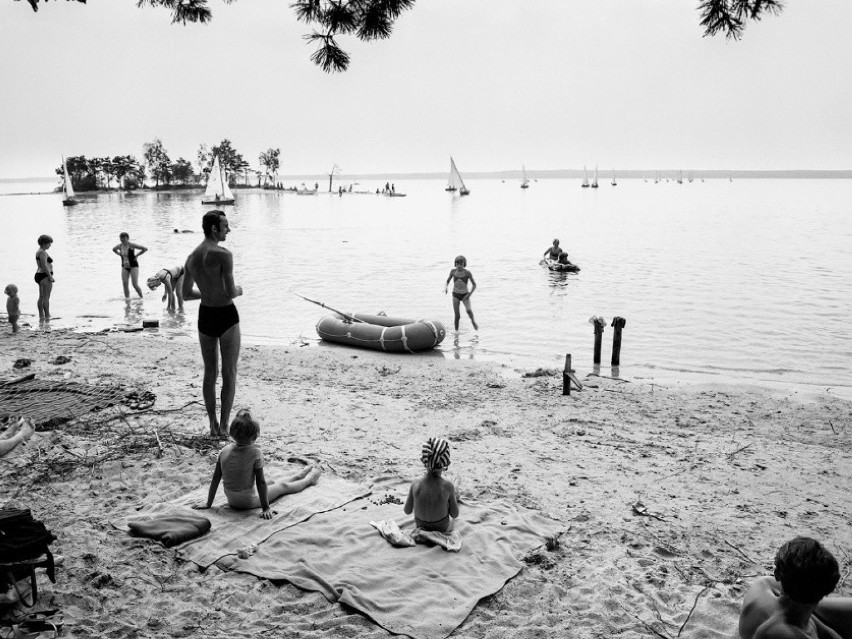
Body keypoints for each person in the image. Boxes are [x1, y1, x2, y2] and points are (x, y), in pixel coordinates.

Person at [193, 409, 321, 519]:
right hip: (248, 501)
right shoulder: (255, 453)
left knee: (271, 482)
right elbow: (260, 482)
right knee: (282, 486)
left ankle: (300, 475)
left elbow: (216, 478)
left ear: (232, 433)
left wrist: (208, 503)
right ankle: (309, 479)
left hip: (231, 499)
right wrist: (266, 508)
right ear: (255, 436)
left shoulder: (224, 451)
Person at [182, 210, 243, 437]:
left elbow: (186, 294)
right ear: (214, 229)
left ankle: (212, 425)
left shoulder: (191, 258)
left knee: (210, 371)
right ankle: (225, 426)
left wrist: (207, 292)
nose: (229, 229)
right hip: (226, 315)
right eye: (225, 225)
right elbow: (230, 291)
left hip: (205, 315)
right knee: (229, 371)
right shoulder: (223, 254)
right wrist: (238, 290)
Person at [739, 536, 852, 639]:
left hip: (775, 594)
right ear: (829, 589)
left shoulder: (763, 586)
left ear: (777, 574)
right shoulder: (783, 633)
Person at [403, 437, 459, 533]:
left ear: (424, 461)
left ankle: (455, 490)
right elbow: (454, 514)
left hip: (420, 526)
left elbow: (407, 511)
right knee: (454, 493)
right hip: (442, 529)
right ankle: (456, 487)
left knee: (451, 492)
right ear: (445, 463)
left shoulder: (415, 483)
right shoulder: (447, 486)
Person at [444, 255, 479, 331]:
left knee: (468, 310)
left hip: (465, 295)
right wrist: (446, 288)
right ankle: (456, 331)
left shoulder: (467, 273)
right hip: (455, 295)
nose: (459, 266)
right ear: (455, 264)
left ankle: (473, 321)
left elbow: (474, 284)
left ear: (464, 264)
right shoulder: (453, 271)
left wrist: (469, 295)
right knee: (457, 315)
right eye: (457, 264)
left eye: (461, 264)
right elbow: (447, 281)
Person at [112, 232, 148, 299]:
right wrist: (119, 254)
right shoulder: (120, 246)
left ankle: (141, 298)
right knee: (125, 284)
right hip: (124, 267)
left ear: (128, 238)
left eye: (124, 238)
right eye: (121, 238)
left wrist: (137, 255)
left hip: (133, 266)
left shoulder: (131, 245)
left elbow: (145, 249)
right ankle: (127, 300)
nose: (122, 240)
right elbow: (113, 249)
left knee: (134, 284)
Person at [34, 234, 54, 322]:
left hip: (39, 275)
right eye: (49, 243)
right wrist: (50, 276)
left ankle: (41, 316)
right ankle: (47, 315)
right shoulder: (42, 252)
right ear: (44, 243)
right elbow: (44, 265)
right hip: (44, 275)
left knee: (41, 297)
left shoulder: (39, 251)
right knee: (46, 297)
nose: (50, 245)